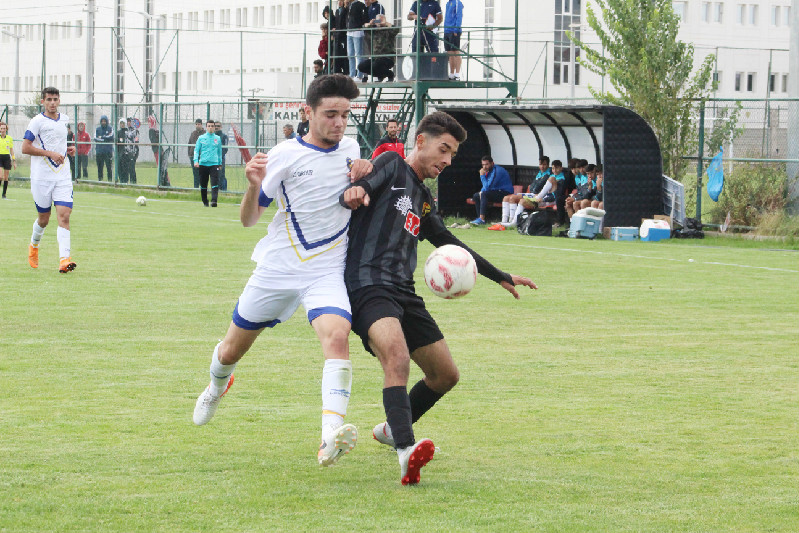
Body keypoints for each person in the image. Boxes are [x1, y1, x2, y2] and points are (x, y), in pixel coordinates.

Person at [339, 111, 537, 485]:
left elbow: (450, 243)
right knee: (396, 357)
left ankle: (390, 429)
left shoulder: (424, 199)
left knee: (445, 375)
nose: (446, 161)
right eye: (443, 150)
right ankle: (406, 451)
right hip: (367, 285)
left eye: (452, 155)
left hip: (404, 293)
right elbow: (361, 188)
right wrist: (356, 191)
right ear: (420, 141)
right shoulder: (391, 164)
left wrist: (501, 276)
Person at [191, 74, 374, 469]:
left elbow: (359, 189)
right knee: (231, 350)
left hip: (326, 269)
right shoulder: (284, 154)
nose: (339, 123)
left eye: (345, 115)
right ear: (307, 112)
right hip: (277, 268)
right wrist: (252, 186)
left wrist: (365, 175)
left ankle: (330, 438)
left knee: (337, 336)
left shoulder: (352, 148)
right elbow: (249, 220)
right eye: (331, 114)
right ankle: (216, 386)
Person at [21, 87, 77, 273]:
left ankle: (64, 259)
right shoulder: (36, 122)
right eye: (49, 100)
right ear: (43, 102)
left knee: (64, 215)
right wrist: (50, 154)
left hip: (62, 175)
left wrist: (68, 150)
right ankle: (34, 246)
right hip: (41, 177)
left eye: (55, 99)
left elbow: (59, 143)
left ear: (59, 100)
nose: (52, 103)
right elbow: (25, 148)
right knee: (44, 219)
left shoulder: (65, 120)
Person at [492, 156, 551, 229]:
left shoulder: (548, 174)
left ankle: (512, 222)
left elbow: (538, 187)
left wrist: (534, 189)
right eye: (540, 164)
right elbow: (532, 186)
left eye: (544, 164)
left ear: (548, 165)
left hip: (538, 196)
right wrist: (533, 189)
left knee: (513, 198)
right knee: (506, 198)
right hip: (532, 193)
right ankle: (504, 221)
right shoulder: (540, 173)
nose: (542, 166)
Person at [470, 155, 513, 225]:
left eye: (486, 164)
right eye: (483, 165)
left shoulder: (497, 171)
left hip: (505, 193)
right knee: (476, 196)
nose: (484, 167)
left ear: (492, 163)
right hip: (495, 191)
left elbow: (487, 187)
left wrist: (482, 176)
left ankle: (482, 219)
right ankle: (480, 219)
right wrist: (481, 192)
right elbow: (486, 187)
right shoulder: (489, 171)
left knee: (484, 194)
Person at [358, 17, 398, 83]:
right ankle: (380, 75)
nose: (379, 22)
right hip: (376, 58)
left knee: (375, 65)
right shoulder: (374, 31)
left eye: (380, 20)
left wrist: (386, 23)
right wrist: (371, 23)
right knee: (361, 66)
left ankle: (390, 74)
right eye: (377, 20)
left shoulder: (388, 31)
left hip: (388, 58)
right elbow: (364, 27)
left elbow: (396, 29)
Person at [194, 120, 222, 207]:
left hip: (214, 164)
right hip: (203, 164)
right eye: (209, 126)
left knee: (214, 183)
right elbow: (196, 150)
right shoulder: (201, 138)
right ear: (206, 127)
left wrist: (220, 163)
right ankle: (205, 201)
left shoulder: (217, 138)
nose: (210, 128)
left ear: (214, 127)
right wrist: (196, 161)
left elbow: (219, 152)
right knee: (203, 184)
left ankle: (214, 201)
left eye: (212, 126)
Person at [346, 0, 369, 80]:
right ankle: (352, 74)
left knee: (359, 54)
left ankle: (359, 75)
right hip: (349, 32)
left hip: (357, 31)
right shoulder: (349, 5)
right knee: (350, 54)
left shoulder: (360, 5)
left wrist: (360, 25)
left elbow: (364, 17)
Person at [444, 0, 464, 80]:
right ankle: (452, 73)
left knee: (456, 52)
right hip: (447, 30)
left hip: (453, 31)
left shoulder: (457, 3)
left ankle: (457, 74)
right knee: (450, 53)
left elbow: (459, 16)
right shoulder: (448, 3)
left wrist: (456, 29)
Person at [94, 115, 114, 181]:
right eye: (102, 121)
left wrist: (102, 137)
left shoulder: (110, 128)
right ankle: (100, 180)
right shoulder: (97, 129)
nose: (103, 122)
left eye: (104, 121)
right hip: (99, 151)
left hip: (108, 152)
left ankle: (110, 180)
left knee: (109, 167)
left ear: (107, 121)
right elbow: (95, 138)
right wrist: (104, 138)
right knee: (100, 167)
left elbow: (111, 137)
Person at [332, 0, 350, 75]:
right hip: (337, 35)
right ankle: (337, 70)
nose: (339, 2)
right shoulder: (337, 11)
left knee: (343, 53)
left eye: (341, 1)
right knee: (336, 53)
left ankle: (346, 71)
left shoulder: (346, 10)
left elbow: (344, 20)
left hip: (343, 35)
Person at [0, 122, 16, 198]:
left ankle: (4, 194)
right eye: (1, 128)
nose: (2, 130)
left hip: (6, 158)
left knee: (6, 177)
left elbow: (11, 150)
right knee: (0, 176)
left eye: (4, 128)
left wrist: (14, 160)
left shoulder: (9, 138)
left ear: (6, 129)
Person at [188, 118, 205, 189]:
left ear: (201, 125)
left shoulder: (205, 133)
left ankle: (202, 187)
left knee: (202, 173)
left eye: (199, 124)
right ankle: (196, 188)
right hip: (193, 156)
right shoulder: (193, 133)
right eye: (196, 124)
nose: (198, 125)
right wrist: (190, 153)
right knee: (195, 173)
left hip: (201, 156)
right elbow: (189, 143)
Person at [214, 121, 229, 191]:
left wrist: (219, 156)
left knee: (221, 174)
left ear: (221, 127)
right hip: (212, 159)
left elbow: (225, 149)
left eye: (218, 126)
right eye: (215, 126)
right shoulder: (211, 136)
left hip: (220, 159)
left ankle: (223, 190)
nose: (216, 127)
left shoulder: (224, 136)